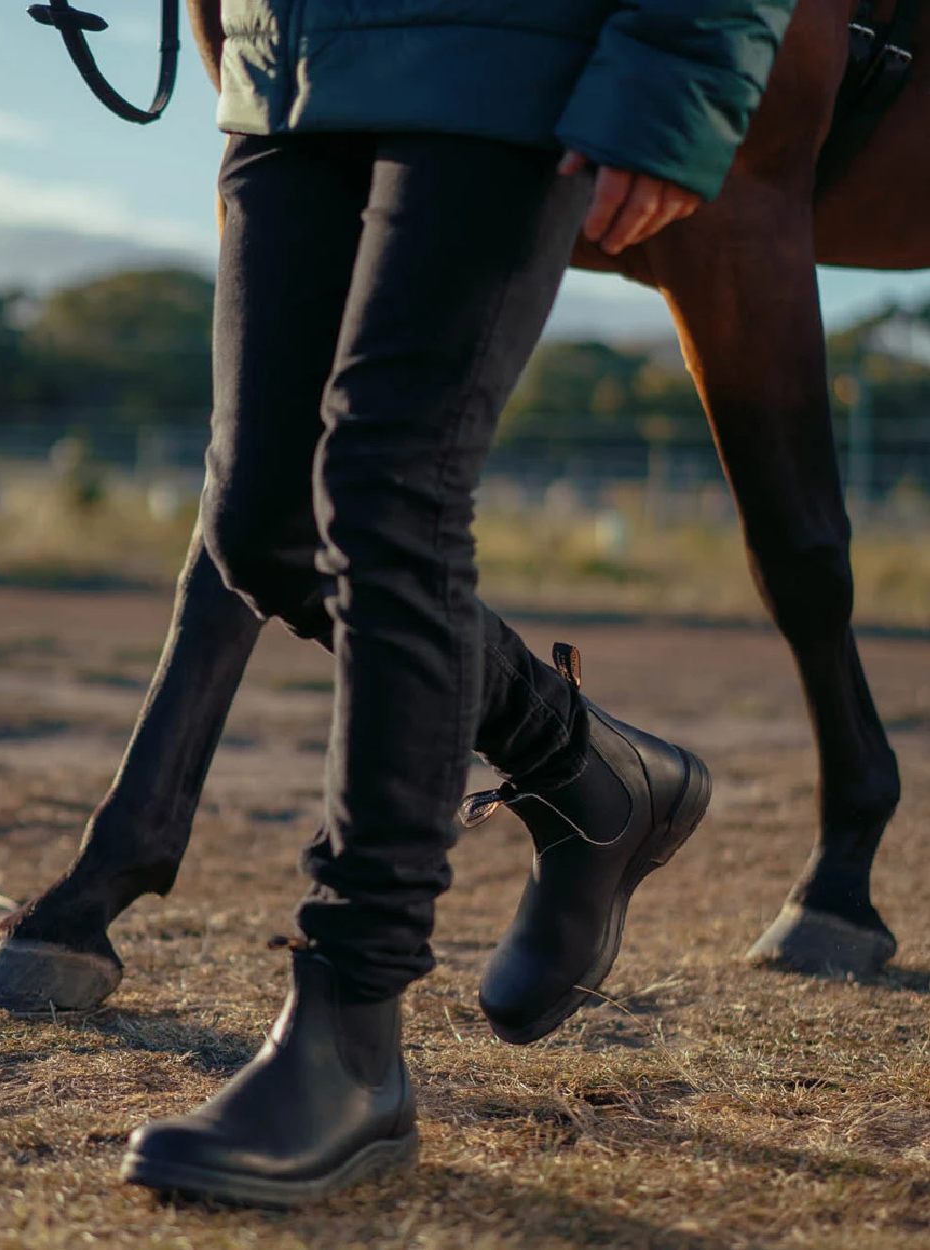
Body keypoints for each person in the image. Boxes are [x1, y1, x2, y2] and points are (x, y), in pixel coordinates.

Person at [121, 0, 794, 1206]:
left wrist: (679, 76)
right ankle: (590, 767)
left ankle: (348, 1033)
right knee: (261, 530)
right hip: (291, 59)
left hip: (510, 49)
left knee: (390, 496)